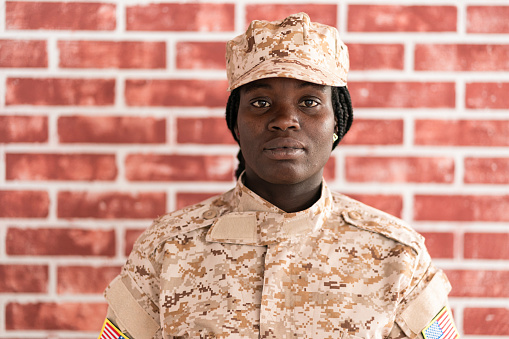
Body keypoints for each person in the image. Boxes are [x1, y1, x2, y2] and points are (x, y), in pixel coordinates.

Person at [99, 13, 459, 339]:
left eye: (309, 102)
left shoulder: (396, 256)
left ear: (338, 122)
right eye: (260, 102)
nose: (285, 118)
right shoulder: (168, 248)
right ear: (236, 125)